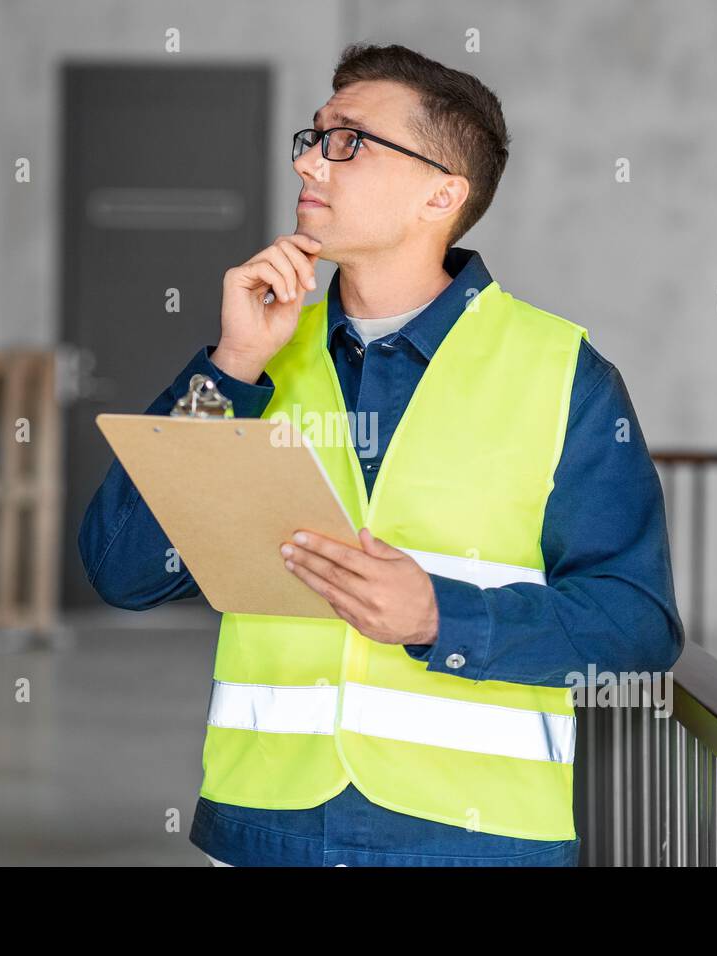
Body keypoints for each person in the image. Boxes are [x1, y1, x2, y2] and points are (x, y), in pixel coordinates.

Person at [78, 42, 684, 867]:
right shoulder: (256, 360)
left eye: (348, 141)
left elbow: (637, 627)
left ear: (443, 192)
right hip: (266, 831)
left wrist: (442, 615)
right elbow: (123, 567)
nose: (308, 160)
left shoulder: (563, 374)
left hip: (476, 843)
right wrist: (227, 368)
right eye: (312, 136)